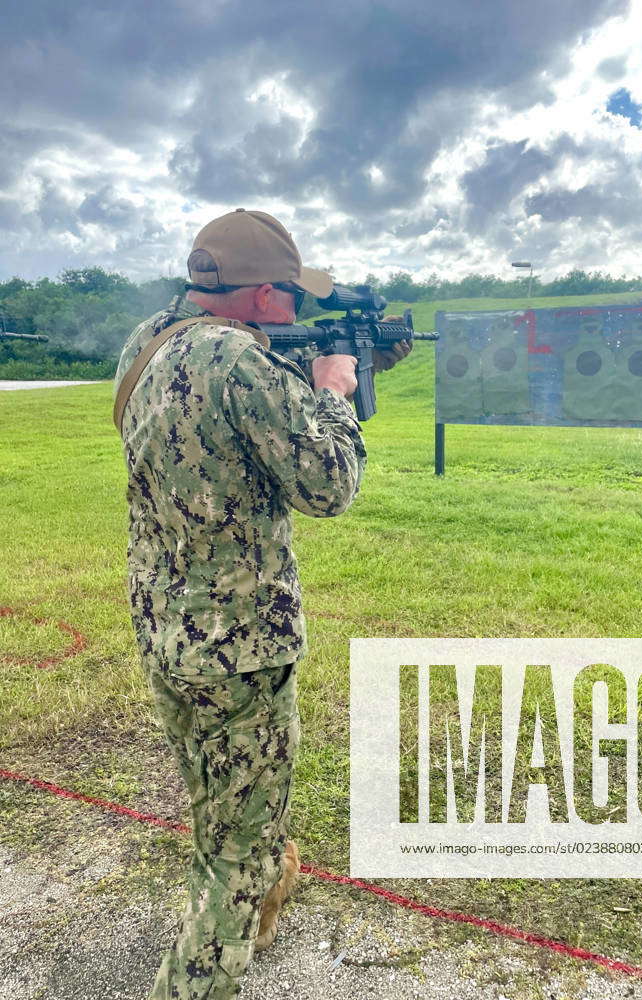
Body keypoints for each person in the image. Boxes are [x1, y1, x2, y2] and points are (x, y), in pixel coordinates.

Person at [113, 208, 411, 1000]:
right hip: (241, 643)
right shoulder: (242, 366)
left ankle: (270, 893)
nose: (293, 309)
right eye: (284, 296)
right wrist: (338, 390)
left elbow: (224, 435)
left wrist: (326, 366)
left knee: (224, 802)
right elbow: (328, 484)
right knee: (235, 848)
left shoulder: (152, 338)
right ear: (254, 297)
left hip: (167, 625)